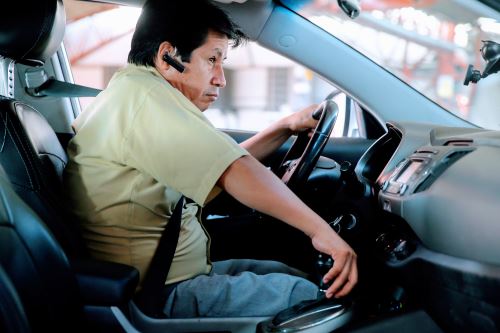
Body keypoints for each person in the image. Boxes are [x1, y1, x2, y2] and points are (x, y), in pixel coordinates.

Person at [63, 0, 357, 318]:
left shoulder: (135, 93)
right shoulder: (145, 101)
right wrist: (322, 232)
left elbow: (218, 163)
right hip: (160, 293)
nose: (220, 78)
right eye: (212, 60)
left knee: (293, 274)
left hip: (174, 276)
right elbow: (236, 170)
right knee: (323, 300)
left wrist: (284, 127)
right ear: (167, 57)